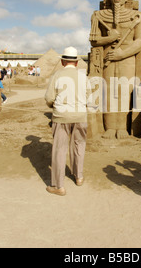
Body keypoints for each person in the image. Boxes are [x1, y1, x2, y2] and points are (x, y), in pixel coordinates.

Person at [89, 0, 141, 139]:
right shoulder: (98, 15)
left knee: (123, 91)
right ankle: (109, 128)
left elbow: (140, 41)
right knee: (107, 92)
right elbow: (93, 39)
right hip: (107, 59)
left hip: (127, 58)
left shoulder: (136, 16)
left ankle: (122, 127)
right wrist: (110, 38)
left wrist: (122, 53)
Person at [44, 47, 88, 196]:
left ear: (63, 62)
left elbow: (49, 98)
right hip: (80, 116)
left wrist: (52, 106)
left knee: (59, 149)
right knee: (79, 145)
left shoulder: (57, 75)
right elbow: (89, 97)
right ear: (76, 63)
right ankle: (79, 176)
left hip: (61, 116)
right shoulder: (83, 76)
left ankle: (58, 185)